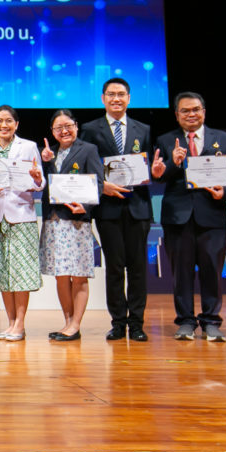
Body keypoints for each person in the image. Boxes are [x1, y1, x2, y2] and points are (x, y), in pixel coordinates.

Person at [153, 91, 226, 342]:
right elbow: (160, 176)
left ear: (204, 112)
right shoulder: (165, 140)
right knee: (181, 273)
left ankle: (211, 322)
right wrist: (171, 164)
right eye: (185, 111)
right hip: (178, 217)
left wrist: (225, 192)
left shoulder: (224, 139)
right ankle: (186, 322)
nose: (191, 114)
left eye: (195, 110)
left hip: (212, 216)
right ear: (177, 115)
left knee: (212, 271)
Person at [80, 77, 154, 342]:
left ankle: (137, 323)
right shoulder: (90, 129)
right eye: (111, 94)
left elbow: (150, 165)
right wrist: (103, 186)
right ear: (103, 99)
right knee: (114, 268)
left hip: (138, 207)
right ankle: (118, 322)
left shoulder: (143, 129)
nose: (116, 99)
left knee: (137, 269)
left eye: (121, 94)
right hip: (108, 209)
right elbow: (85, 166)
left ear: (129, 98)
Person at [0, 105, 43, 342]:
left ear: (16, 124)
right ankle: (10, 323)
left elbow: (40, 182)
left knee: (20, 271)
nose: (3, 125)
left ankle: (20, 324)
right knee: (2, 271)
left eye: (8, 121)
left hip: (21, 215)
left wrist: (37, 180)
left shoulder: (28, 147)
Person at [39, 109, 104, 341]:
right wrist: (45, 163)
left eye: (68, 126)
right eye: (59, 128)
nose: (64, 131)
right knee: (60, 275)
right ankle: (67, 322)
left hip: (77, 222)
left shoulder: (88, 149)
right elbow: (45, 184)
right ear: (52, 131)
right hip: (54, 221)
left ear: (76, 126)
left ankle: (75, 324)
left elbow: (98, 183)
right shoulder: (49, 153)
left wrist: (84, 206)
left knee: (78, 276)